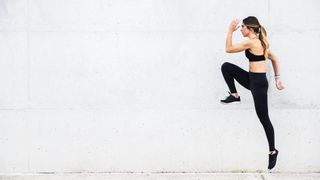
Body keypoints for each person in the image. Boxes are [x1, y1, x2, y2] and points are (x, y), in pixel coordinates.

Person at [220, 16, 285, 170]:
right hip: (252, 79)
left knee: (264, 119)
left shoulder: (252, 42)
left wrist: (229, 30)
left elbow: (228, 49)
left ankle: (272, 150)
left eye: (242, 27)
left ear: (250, 28)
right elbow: (275, 58)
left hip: (259, 84)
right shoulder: (260, 42)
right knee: (226, 67)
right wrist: (277, 79)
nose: (240, 29)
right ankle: (235, 95)